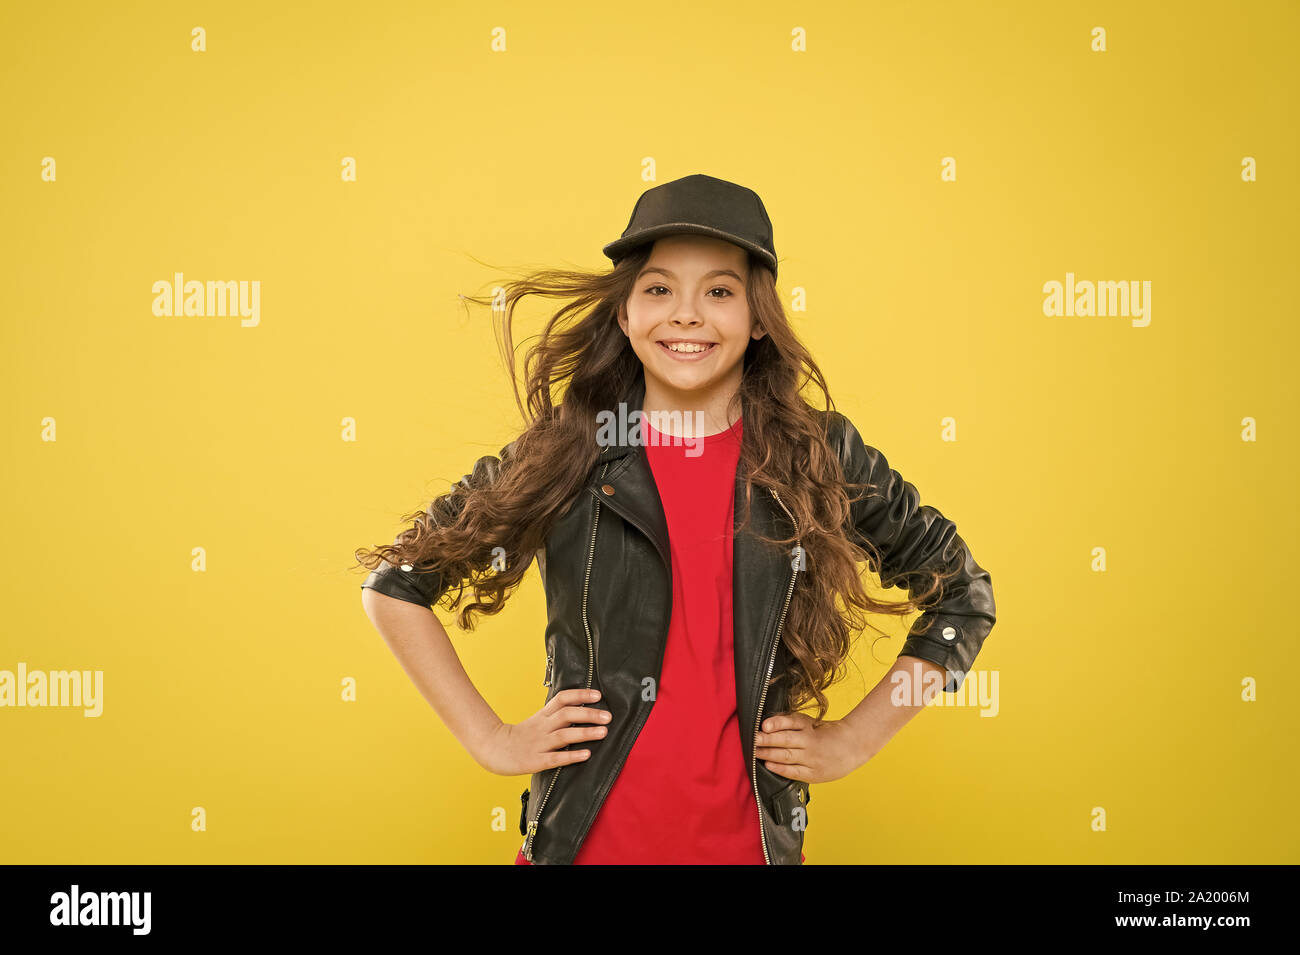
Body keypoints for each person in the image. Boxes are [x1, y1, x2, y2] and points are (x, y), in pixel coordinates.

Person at [354, 173, 997, 865]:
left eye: (719, 291)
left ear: (758, 320)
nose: (686, 314)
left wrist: (856, 739)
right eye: (659, 288)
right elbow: (397, 584)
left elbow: (963, 595)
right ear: (626, 313)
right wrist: (491, 738)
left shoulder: (819, 452)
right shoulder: (569, 449)